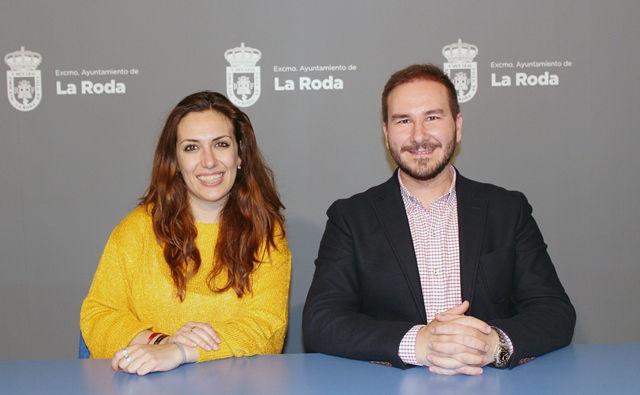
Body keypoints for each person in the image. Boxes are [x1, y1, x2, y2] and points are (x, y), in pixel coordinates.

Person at [302, 64, 575, 375]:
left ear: (457, 126)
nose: (419, 136)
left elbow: (554, 311)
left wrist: (492, 344)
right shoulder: (351, 217)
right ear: (386, 132)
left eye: (432, 117)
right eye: (404, 120)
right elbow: (321, 320)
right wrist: (418, 343)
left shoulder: (507, 210)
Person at [80, 91, 291, 375]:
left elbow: (267, 329)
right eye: (192, 148)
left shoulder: (267, 233)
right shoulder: (137, 229)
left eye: (221, 144)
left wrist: (181, 351)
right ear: (175, 160)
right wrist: (162, 343)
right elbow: (99, 314)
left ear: (240, 154)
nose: (209, 161)